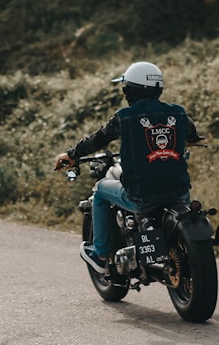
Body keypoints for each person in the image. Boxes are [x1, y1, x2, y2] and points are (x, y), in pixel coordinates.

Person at [54, 61, 201, 274]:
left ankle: (101, 254)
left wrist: (71, 154)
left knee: (101, 190)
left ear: (129, 90)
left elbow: (97, 139)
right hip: (180, 194)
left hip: (142, 196)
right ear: (158, 89)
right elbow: (192, 136)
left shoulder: (124, 117)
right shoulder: (178, 113)